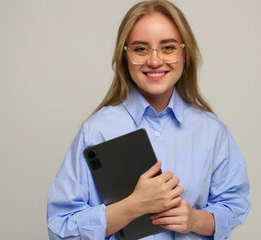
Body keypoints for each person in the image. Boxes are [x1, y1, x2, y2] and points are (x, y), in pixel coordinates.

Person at [47, 0, 250, 239]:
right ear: (125, 56)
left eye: (168, 47)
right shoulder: (96, 132)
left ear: (185, 53)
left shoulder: (212, 132)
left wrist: (195, 220)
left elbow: (233, 205)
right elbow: (60, 226)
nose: (154, 61)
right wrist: (134, 206)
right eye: (141, 49)